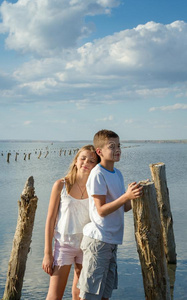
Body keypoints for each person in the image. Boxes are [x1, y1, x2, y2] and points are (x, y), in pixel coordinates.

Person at [78, 130, 143, 300]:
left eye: (119, 146)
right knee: (90, 294)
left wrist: (135, 196)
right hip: (99, 240)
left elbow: (124, 207)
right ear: (99, 151)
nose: (117, 150)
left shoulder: (118, 173)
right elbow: (101, 210)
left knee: (105, 294)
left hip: (112, 241)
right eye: (111, 146)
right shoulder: (98, 174)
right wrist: (125, 196)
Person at [42, 145, 99, 300]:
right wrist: (48, 253)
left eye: (92, 161)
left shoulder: (96, 188)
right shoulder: (61, 185)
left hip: (87, 246)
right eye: (83, 158)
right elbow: (50, 219)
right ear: (76, 161)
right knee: (54, 296)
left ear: (96, 166)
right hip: (64, 245)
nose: (86, 162)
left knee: (79, 295)